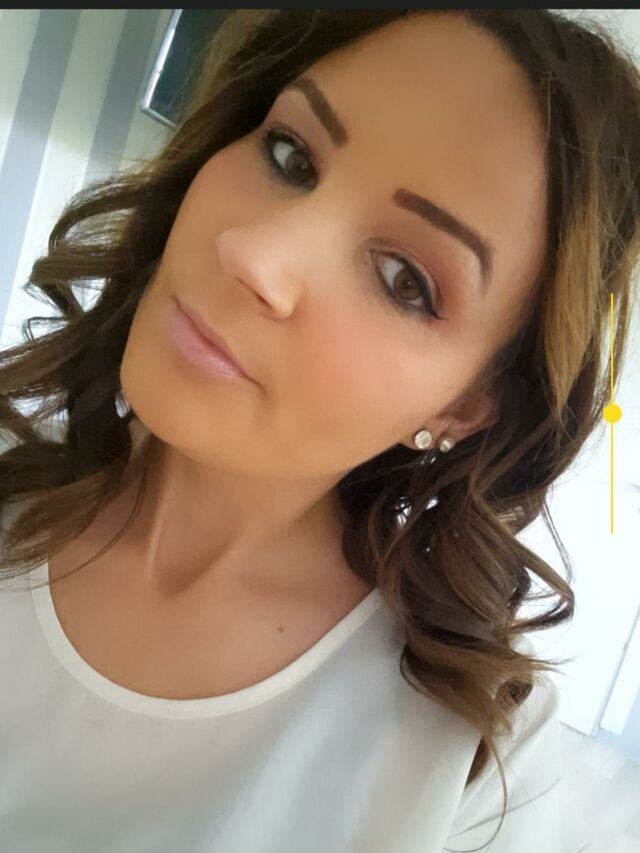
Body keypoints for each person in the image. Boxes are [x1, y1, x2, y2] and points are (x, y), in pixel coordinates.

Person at [0, 9, 637, 851]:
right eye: (289, 155)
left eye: (404, 280)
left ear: (463, 407)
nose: (254, 254)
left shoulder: (474, 764)